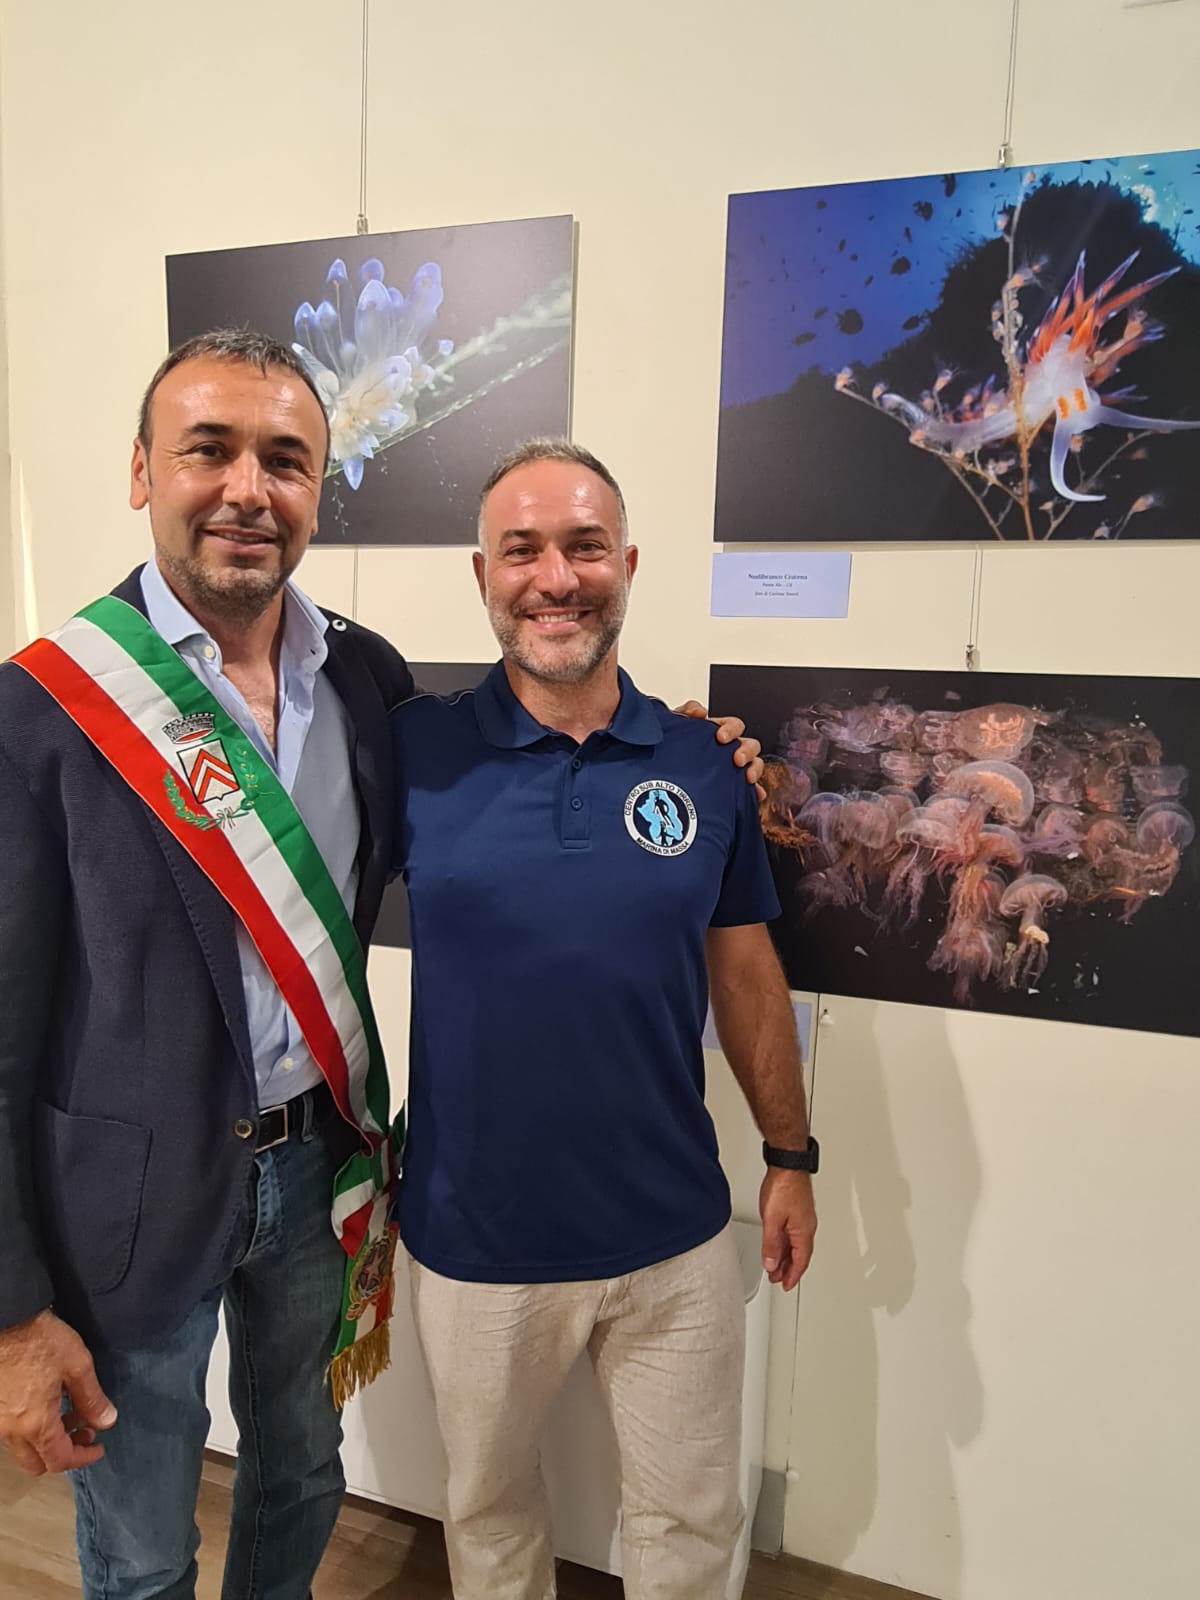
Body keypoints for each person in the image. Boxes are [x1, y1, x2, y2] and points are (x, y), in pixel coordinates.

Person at [0, 334, 761, 1600]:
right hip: (129, 1199)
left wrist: (690, 747)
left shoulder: (364, 680)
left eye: (285, 459)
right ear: (141, 471)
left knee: (302, 1473)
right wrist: (14, 1310)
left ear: (318, 487)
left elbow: (543, 770)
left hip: (321, 1167)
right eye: (208, 450)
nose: (248, 488)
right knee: (140, 1540)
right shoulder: (41, 710)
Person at [390, 438, 818, 1600]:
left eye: (584, 547)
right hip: (475, 1239)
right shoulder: (414, 751)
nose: (555, 577)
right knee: (488, 1515)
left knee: (692, 1522)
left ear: (626, 565)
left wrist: (790, 1156)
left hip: (672, 1235)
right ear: (482, 574)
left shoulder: (704, 761)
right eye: (521, 549)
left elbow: (746, 976)